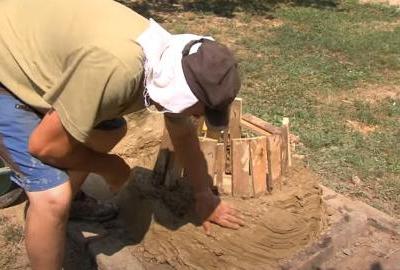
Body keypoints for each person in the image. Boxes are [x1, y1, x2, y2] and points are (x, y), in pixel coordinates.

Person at [0, 0, 244, 269]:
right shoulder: (118, 68)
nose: (198, 116)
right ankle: (56, 211)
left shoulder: (173, 65)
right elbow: (42, 146)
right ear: (183, 93)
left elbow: (184, 135)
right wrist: (109, 166)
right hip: (6, 60)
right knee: (51, 196)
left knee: (109, 132)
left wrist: (203, 194)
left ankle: (70, 203)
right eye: (199, 109)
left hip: (36, 44)